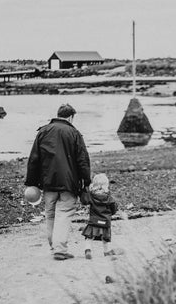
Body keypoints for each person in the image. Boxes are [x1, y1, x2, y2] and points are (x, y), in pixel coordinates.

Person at [24, 103, 90, 260]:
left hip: (48, 183)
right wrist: (86, 182)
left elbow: (34, 159)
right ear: (71, 117)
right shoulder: (74, 133)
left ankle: (54, 246)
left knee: (51, 214)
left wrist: (31, 183)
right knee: (64, 213)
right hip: (69, 182)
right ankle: (59, 249)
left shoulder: (43, 131)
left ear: (58, 114)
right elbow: (82, 160)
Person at [81, 173, 118, 259]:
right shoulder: (109, 197)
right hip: (105, 221)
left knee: (89, 237)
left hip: (94, 220)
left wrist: (84, 191)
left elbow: (84, 201)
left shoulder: (91, 196)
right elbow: (114, 209)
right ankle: (107, 251)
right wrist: (110, 214)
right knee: (105, 238)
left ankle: (88, 250)